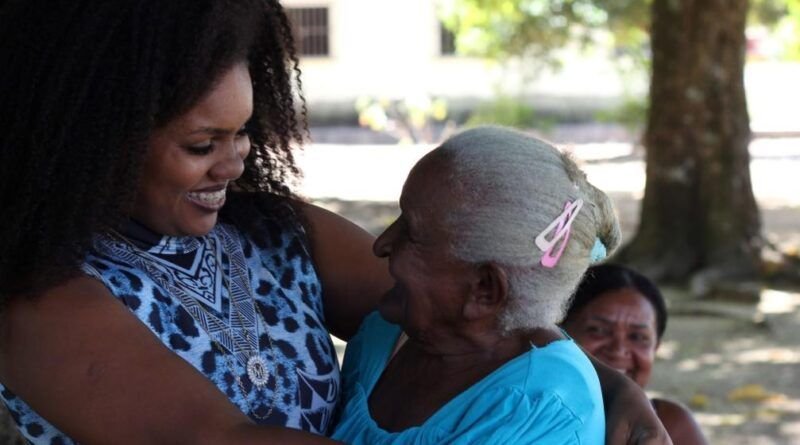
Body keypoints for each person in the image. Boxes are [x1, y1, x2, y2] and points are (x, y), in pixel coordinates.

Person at [0, 1, 671, 444]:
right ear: (96, 140)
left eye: (244, 133)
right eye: (202, 145)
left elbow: (477, 303)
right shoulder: (40, 301)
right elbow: (220, 437)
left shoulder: (275, 232)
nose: (233, 164)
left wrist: (600, 385)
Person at [330, 126, 616, 443]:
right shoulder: (386, 332)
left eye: (411, 231)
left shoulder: (539, 411)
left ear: (484, 290)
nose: (381, 245)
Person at [562, 264, 708, 445]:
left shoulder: (672, 425)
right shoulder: (530, 418)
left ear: (655, 348)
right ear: (558, 334)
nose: (618, 349)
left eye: (637, 337)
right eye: (597, 330)